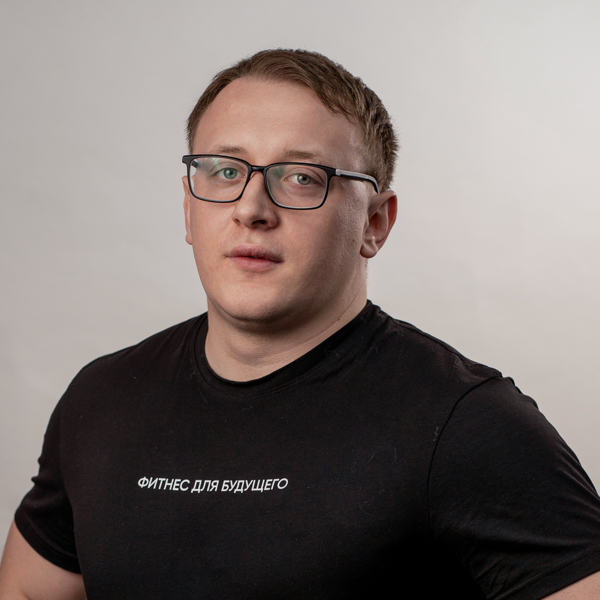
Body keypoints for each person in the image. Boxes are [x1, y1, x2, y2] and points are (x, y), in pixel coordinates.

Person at [0, 49, 599, 600]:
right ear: (187, 206)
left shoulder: (467, 424)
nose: (251, 209)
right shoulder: (101, 399)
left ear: (375, 223)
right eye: (224, 171)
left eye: (302, 177)